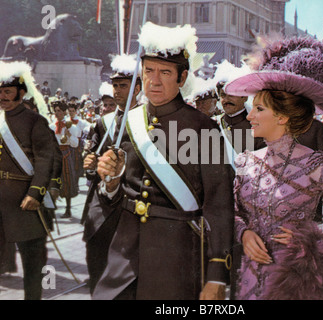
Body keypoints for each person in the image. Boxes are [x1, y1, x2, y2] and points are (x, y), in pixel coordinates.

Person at [224, 36, 323, 300]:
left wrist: (316, 244)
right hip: (249, 277)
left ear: (282, 117)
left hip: (298, 281)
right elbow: (232, 210)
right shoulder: (246, 161)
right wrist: (244, 233)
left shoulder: (313, 164)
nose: (249, 116)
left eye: (258, 109)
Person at [92, 22, 234, 300]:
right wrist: (110, 182)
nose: (154, 81)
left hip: (178, 253)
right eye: (149, 71)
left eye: (165, 73)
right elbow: (109, 197)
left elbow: (219, 202)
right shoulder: (127, 122)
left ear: (182, 79)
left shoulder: (202, 127)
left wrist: (217, 273)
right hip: (124, 250)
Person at [81, 54, 142, 294]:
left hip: (131, 202)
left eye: (123, 86)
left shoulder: (149, 120)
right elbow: (92, 155)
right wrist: (89, 162)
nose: (117, 91)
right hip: (101, 202)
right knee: (96, 257)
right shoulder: (103, 122)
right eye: (115, 86)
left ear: (137, 88)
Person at [0, 61, 59, 299]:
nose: (2, 96)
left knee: (32, 263)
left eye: (7, 91)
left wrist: (35, 193)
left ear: (21, 93)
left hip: (24, 203)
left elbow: (46, 160)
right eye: (0, 91)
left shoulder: (35, 121)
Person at [297, 118, 323, 223]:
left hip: (311, 190)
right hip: (282, 195)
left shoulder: (317, 127)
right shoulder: (276, 124)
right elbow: (251, 151)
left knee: (310, 232)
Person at [49, 100, 80, 218]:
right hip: (54, 154)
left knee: (66, 180)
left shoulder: (71, 126)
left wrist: (69, 135)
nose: (57, 113)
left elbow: (75, 144)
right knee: (53, 180)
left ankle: (68, 209)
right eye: (55, 111)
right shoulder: (51, 126)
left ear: (64, 112)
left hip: (66, 154)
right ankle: (52, 207)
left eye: (59, 111)